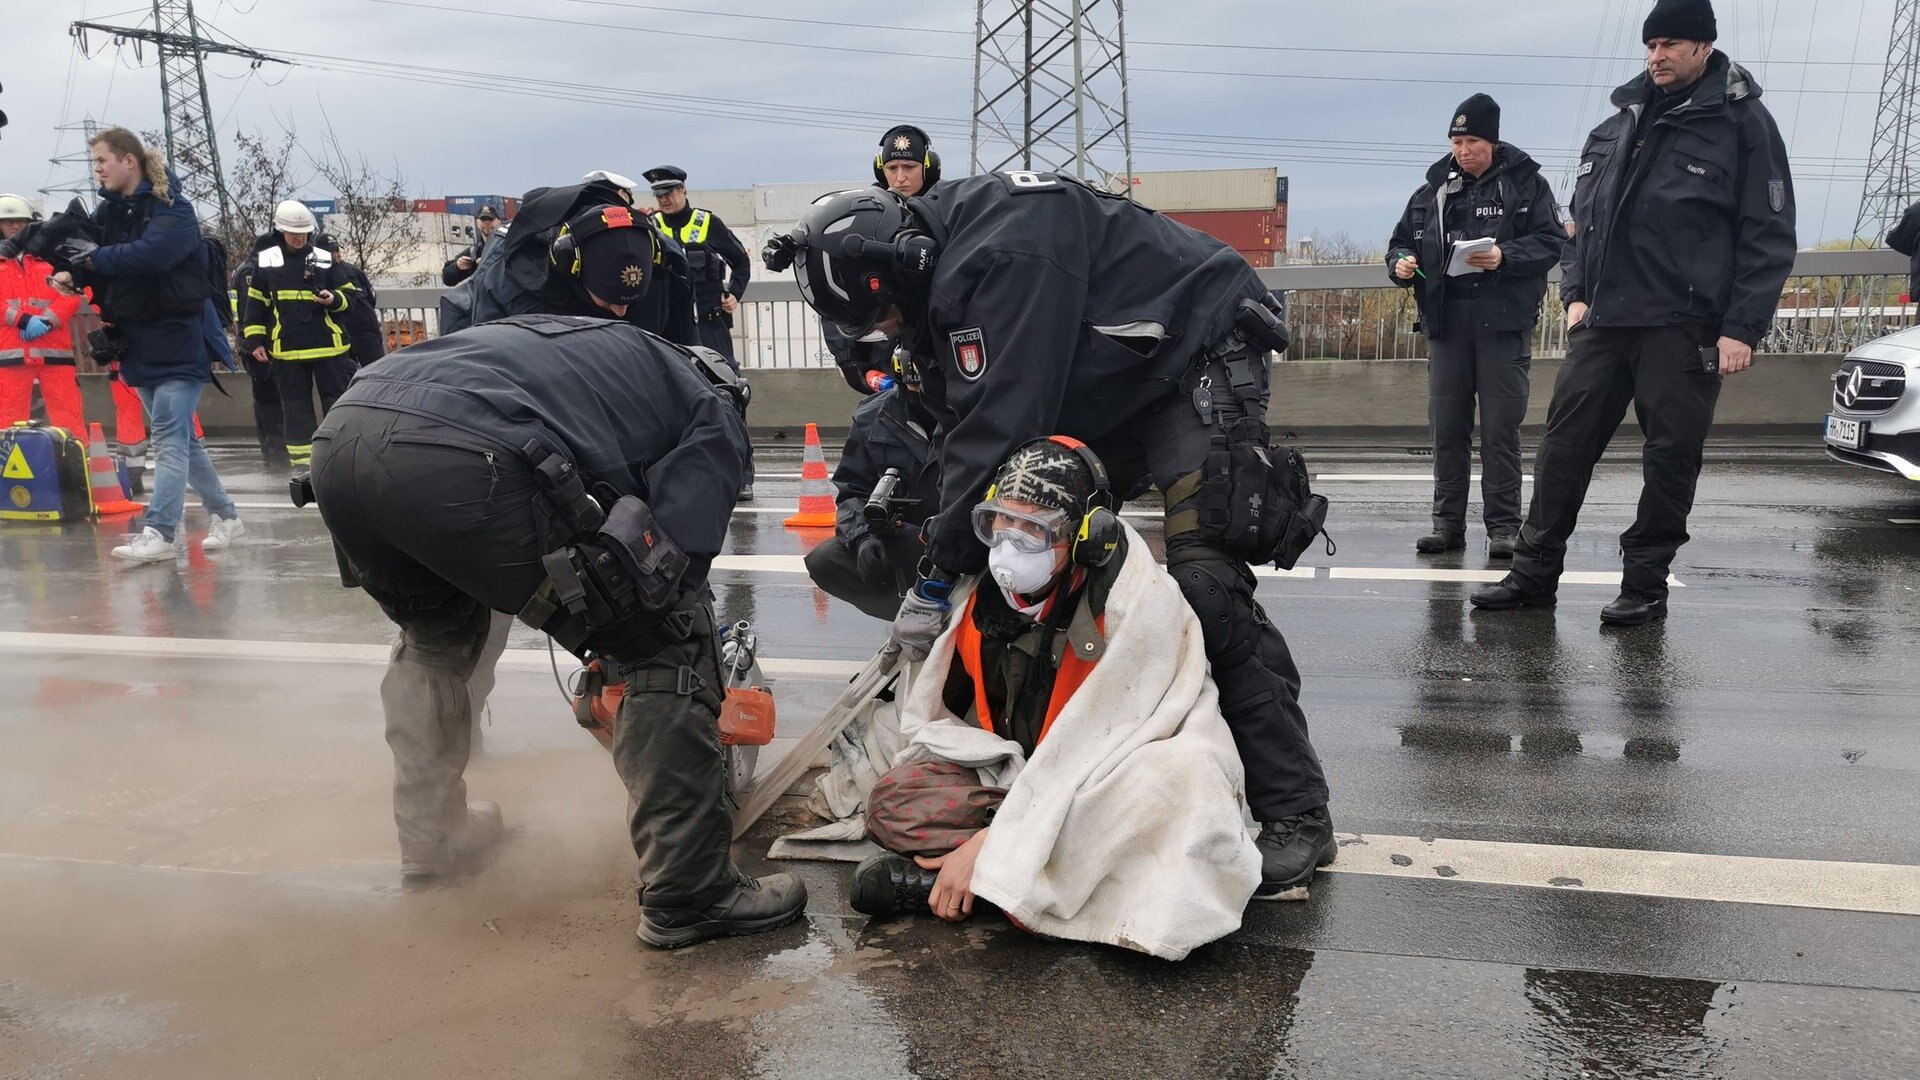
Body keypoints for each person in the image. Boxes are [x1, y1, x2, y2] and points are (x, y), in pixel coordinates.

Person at [768, 177, 1336, 900]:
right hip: (1105, 377)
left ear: (907, 264)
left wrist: (940, 573)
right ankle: (1059, 761)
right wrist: (921, 545)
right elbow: (955, 438)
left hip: (1192, 356)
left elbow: (1001, 422)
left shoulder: (1005, 255)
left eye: (885, 317)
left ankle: (1297, 811)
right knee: (1029, 553)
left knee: (1205, 585)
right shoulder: (937, 286)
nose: (888, 334)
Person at [308, 314, 805, 948]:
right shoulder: (708, 402)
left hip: (343, 439)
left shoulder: (599, 355)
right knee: (665, 639)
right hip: (468, 455)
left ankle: (433, 844)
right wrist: (627, 639)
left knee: (436, 641)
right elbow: (676, 563)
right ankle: (691, 893)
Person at [847, 438, 1260, 960]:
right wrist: (1013, 817)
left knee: (1185, 792)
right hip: (1023, 780)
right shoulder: (981, 598)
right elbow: (944, 717)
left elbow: (1108, 743)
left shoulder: (1136, 604)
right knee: (894, 801)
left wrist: (994, 841)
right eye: (1000, 522)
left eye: (1035, 530)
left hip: (1110, 779)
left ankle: (985, 880)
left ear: (1085, 537)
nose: (1010, 546)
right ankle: (1024, 878)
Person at [1470, 0, 1795, 626]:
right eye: (1651, 45)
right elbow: (1581, 225)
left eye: (1671, 44)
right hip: (1604, 324)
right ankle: (1534, 575)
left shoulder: (1743, 124)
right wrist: (1576, 295)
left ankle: (1645, 584)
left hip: (1685, 324)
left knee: (1671, 457)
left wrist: (1740, 327)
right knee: (1562, 448)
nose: (1657, 56)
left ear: (1704, 47)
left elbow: (1769, 233)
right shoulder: (1619, 124)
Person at [52, 127, 243, 562]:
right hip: (137, 340)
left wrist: (91, 259)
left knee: (169, 437)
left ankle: (160, 532)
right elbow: (95, 257)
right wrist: (75, 274)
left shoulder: (173, 209)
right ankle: (228, 517)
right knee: (184, 442)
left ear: (129, 161)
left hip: (179, 337)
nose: (97, 169)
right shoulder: (108, 212)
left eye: (102, 160)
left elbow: (150, 255)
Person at [1387, 94, 1565, 559]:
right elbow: (1401, 242)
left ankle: (1504, 527)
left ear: (1493, 140)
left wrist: (1506, 256)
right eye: (1456, 141)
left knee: (1500, 432)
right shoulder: (1433, 190)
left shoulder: (1526, 185)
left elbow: (1551, 243)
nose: (1462, 150)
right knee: (1447, 430)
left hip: (1502, 326)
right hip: (1446, 325)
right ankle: (1446, 525)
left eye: (1472, 141)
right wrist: (1401, 264)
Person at [439, 173, 697, 347]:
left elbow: (684, 352)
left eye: (633, 301)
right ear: (570, 264)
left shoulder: (668, 261)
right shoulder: (508, 272)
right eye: (609, 300)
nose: (622, 313)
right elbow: (488, 373)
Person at [645, 166, 756, 497]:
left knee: (729, 395)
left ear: (683, 191)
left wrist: (734, 292)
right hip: (670, 330)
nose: (664, 199)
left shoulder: (707, 222)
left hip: (710, 326)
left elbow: (741, 262)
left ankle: (743, 474)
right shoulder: (651, 226)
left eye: (669, 192)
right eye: (658, 194)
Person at [240, 201, 363, 471]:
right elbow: (255, 305)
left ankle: (339, 458)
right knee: (296, 411)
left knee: (338, 404)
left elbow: (351, 298)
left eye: (303, 233)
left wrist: (333, 299)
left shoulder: (323, 257)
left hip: (328, 348)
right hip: (287, 350)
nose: (299, 238)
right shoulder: (268, 260)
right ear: (280, 231)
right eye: (293, 232)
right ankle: (304, 467)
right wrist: (254, 341)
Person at [803, 384, 941, 619]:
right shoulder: (872, 416)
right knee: (825, 559)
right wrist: (863, 537)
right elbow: (853, 490)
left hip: (958, 541)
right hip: (900, 542)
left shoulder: (975, 408)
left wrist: (936, 537)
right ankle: (908, 616)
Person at [0, 194, 89, 436]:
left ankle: (76, 468)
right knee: (7, 419)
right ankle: (7, 471)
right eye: (9, 222)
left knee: (69, 416)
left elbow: (70, 293)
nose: (16, 226)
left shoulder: (52, 256)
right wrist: (24, 320)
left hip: (54, 352)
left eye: (21, 221)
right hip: (10, 355)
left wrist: (49, 320)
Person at [874, 124, 942, 198]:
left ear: (928, 170)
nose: (900, 178)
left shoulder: (949, 206)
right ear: (881, 173)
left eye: (909, 167)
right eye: (892, 168)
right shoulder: (871, 206)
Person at [441, 204, 501, 286]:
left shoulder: (508, 246)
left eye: (490, 219)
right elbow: (447, 279)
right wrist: (457, 267)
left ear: (499, 221)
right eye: (483, 219)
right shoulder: (475, 252)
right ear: (477, 223)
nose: (487, 223)